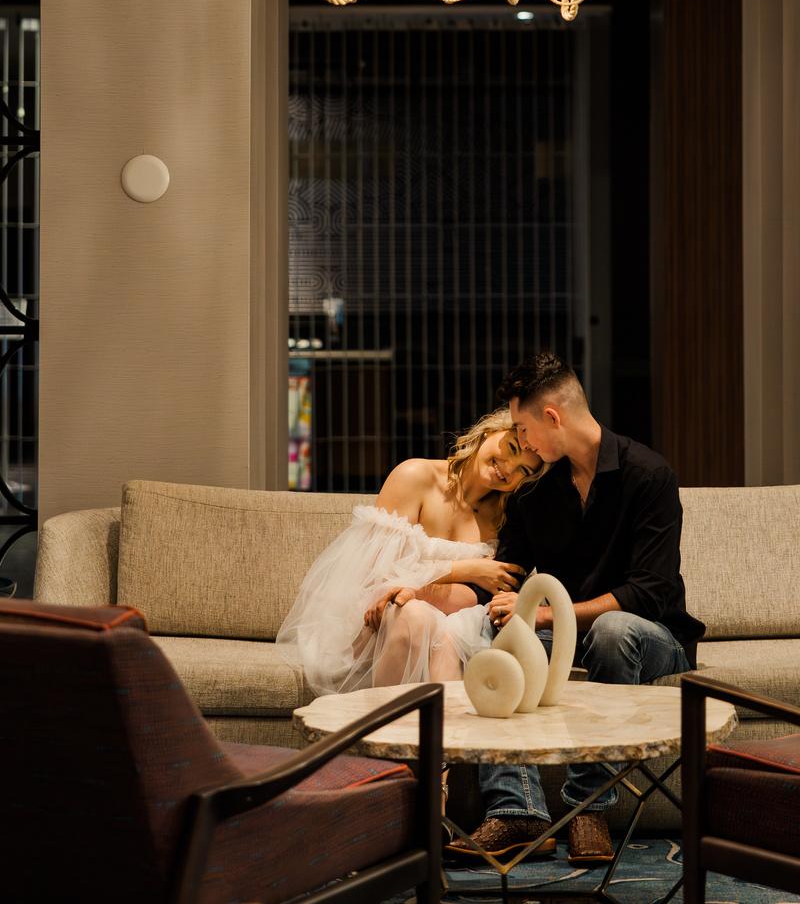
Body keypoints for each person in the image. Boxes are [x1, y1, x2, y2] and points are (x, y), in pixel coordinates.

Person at [448, 352, 703, 869]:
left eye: (524, 429)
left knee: (612, 630)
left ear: (552, 417)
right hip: (564, 635)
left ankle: (589, 809)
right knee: (503, 639)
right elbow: (509, 572)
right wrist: (450, 592)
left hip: (651, 635)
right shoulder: (535, 491)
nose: (523, 444)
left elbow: (649, 591)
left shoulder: (649, 475)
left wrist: (547, 616)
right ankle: (519, 811)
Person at [276, 408, 541, 696]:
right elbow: (379, 576)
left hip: (454, 618)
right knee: (414, 616)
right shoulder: (416, 476)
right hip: (377, 615)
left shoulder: (503, 515)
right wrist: (468, 570)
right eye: (511, 448)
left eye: (523, 471)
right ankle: (393, 721)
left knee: (444, 631)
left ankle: (439, 724)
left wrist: (426, 591)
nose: (509, 469)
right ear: (489, 432)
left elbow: (483, 594)